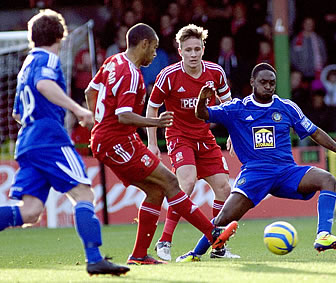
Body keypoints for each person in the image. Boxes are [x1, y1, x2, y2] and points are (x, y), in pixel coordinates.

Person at [0, 9, 130, 276]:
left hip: (28, 140)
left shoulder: (27, 64)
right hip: (49, 138)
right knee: (83, 194)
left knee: (30, 211)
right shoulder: (49, 59)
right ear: (60, 36)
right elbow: (44, 85)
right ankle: (94, 258)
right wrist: (77, 110)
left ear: (33, 37)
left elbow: (17, 113)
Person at [84, 23, 238, 265]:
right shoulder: (132, 74)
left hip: (119, 138)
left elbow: (89, 93)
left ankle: (139, 255)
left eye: (198, 49)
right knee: (173, 182)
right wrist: (153, 123)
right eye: (154, 48)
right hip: (121, 141)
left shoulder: (113, 61)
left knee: (157, 190)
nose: (155, 54)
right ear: (144, 44)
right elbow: (124, 115)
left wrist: (98, 121)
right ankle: (211, 234)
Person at [177, 63, 336, 262]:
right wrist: (202, 99)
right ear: (252, 83)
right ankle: (195, 254)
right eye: (263, 82)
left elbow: (315, 132)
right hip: (255, 174)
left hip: (286, 172)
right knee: (223, 219)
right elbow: (202, 114)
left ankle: (323, 235)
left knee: (327, 179)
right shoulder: (237, 108)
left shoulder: (287, 107)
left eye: (272, 83)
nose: (268, 86)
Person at [146, 24, 238, 261]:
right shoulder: (169, 75)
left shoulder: (215, 72)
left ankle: (217, 247)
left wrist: (233, 135)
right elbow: (152, 107)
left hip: (204, 137)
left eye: (197, 49)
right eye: (188, 50)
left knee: (224, 188)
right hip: (179, 136)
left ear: (203, 49)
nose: (193, 54)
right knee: (186, 183)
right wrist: (153, 143)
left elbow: (230, 107)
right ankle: (165, 240)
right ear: (180, 50)